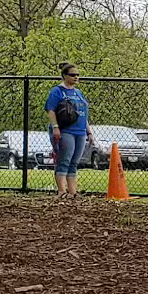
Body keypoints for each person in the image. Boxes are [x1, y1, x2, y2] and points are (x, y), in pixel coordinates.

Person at [45, 63, 91, 199]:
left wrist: (89, 131)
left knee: (74, 162)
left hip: (80, 131)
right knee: (64, 160)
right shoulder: (57, 91)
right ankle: (61, 191)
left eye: (77, 75)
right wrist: (55, 127)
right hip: (66, 130)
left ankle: (73, 191)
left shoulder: (78, 93)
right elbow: (50, 110)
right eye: (72, 75)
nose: (76, 77)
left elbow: (82, 113)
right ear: (65, 76)